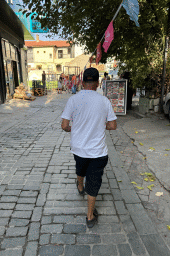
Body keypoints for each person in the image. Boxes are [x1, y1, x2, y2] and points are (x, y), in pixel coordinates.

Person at [61, 67, 117, 228]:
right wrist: (100, 124)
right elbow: (113, 125)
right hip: (98, 152)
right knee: (93, 182)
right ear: (98, 83)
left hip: (78, 148)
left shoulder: (73, 100)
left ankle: (79, 186)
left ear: (82, 82)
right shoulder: (104, 101)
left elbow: (64, 125)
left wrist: (75, 128)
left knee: (80, 167)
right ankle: (90, 216)